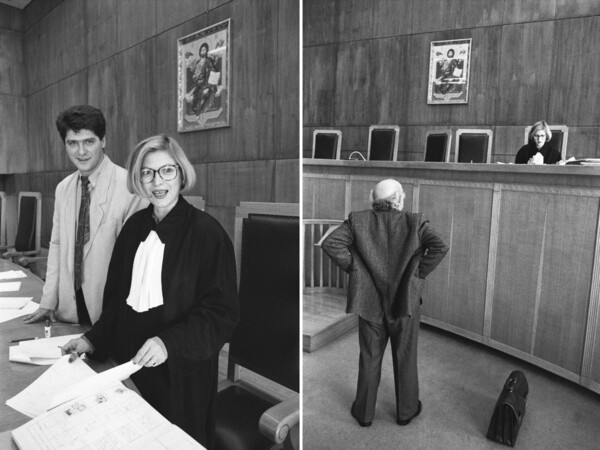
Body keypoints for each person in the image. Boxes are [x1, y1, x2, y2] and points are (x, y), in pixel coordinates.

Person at [63, 134, 239, 448]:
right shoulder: (133, 228)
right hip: (129, 368)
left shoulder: (208, 233)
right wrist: (93, 339)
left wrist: (168, 343)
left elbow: (220, 314)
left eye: (167, 170)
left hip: (180, 377)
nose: (158, 181)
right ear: (138, 179)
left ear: (181, 173)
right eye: (147, 172)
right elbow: (116, 301)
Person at [321, 179, 449, 428]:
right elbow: (440, 246)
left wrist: (356, 270)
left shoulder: (357, 221)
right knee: (405, 356)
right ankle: (406, 412)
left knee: (369, 357)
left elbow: (330, 243)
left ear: (373, 199)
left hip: (370, 302)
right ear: (399, 200)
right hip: (405, 302)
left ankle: (364, 414)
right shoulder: (415, 222)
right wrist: (417, 274)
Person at [24, 105, 145, 326]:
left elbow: (135, 266)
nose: (81, 152)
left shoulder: (130, 187)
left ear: (103, 141)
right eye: (72, 143)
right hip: (69, 310)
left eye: (89, 141)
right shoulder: (63, 188)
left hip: (110, 312)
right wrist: (48, 301)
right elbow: (56, 246)